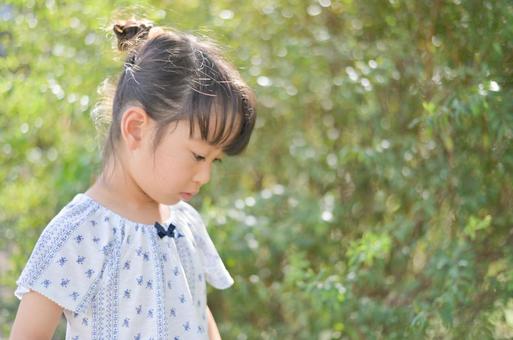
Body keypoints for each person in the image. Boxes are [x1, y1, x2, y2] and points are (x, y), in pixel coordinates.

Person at [9, 18, 256, 340]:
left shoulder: (185, 223)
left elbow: (195, 309)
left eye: (215, 160)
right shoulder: (82, 231)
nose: (205, 175)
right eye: (198, 155)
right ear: (136, 128)